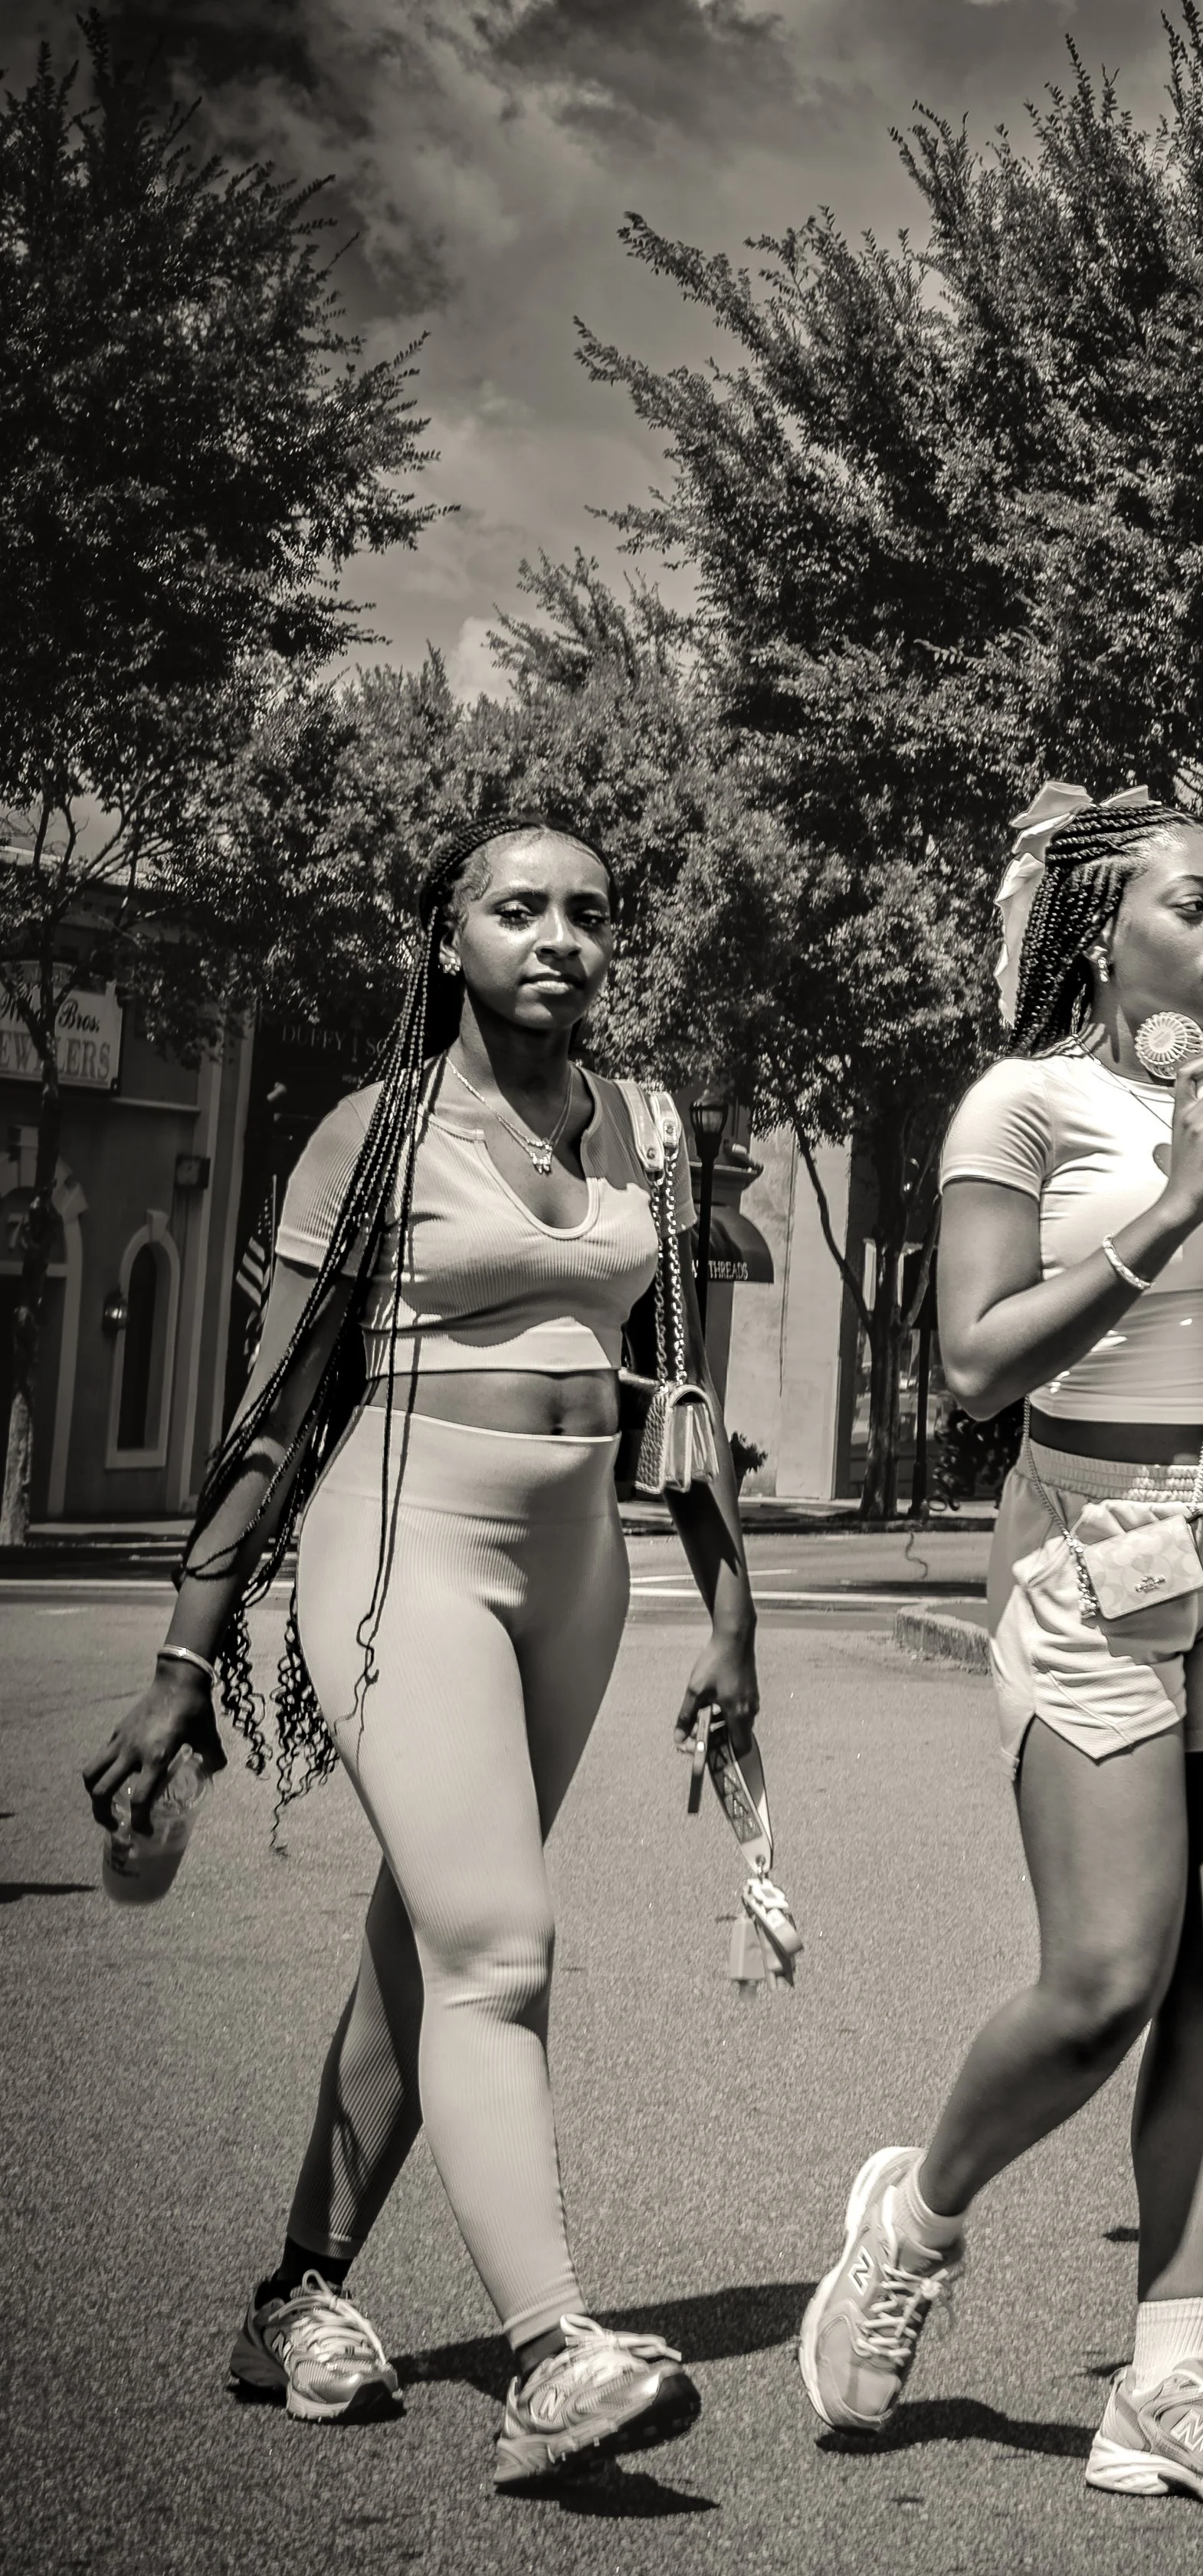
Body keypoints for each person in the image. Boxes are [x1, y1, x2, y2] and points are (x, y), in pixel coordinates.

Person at [84, 813, 761, 2490]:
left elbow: (672, 1390)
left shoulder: (649, 1134)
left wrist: (730, 1612)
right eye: (516, 909)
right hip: (403, 1543)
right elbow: (272, 1411)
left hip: (574, 1565)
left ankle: (294, 2294)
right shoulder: (370, 1133)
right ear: (445, 936)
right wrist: (185, 1661)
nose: (558, 938)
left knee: (432, 1932)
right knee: (499, 1940)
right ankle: (551, 2348)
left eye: (588, 914)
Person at [798, 791, 1203, 2515]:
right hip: (1094, 1551)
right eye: (1192, 902)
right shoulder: (1022, 1106)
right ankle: (912, 2222)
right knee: (1108, 1976)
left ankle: (1171, 2378)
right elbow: (976, 1366)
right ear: (1096, 927)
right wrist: (1168, 1199)